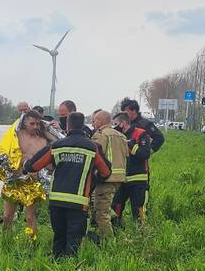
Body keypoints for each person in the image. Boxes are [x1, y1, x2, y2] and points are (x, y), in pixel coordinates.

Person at [24, 111, 111, 257]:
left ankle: (57, 266)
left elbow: (32, 166)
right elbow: (106, 172)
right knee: (74, 240)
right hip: (79, 202)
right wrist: (93, 178)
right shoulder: (93, 147)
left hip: (57, 201)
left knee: (59, 237)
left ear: (68, 125)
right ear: (83, 125)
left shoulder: (56, 145)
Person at [0, 109, 49, 235]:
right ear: (24, 123)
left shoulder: (43, 140)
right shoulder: (16, 135)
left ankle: (33, 244)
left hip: (32, 183)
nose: (35, 126)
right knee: (7, 216)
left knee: (30, 217)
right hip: (15, 180)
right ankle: (5, 241)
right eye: (32, 124)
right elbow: (3, 151)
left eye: (37, 123)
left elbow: (47, 161)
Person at [90, 109, 128, 238]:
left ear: (100, 121)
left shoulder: (100, 135)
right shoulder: (121, 135)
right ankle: (117, 224)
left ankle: (109, 243)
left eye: (94, 120)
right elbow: (126, 154)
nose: (93, 123)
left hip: (106, 178)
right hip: (120, 178)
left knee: (101, 212)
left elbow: (96, 156)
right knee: (105, 206)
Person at [112, 112, 151, 224]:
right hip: (121, 179)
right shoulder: (117, 136)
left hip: (138, 179)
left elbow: (144, 154)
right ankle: (116, 232)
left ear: (123, 123)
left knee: (138, 211)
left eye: (116, 123)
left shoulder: (140, 133)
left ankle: (141, 236)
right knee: (115, 207)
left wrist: (131, 145)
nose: (114, 126)